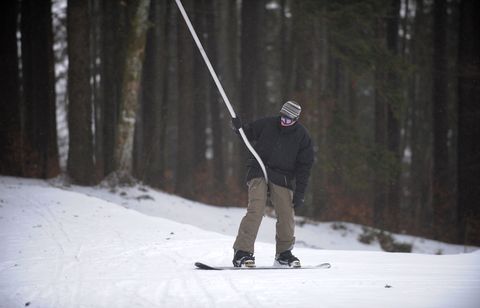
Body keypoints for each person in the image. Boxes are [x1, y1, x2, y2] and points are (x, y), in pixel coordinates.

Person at [231, 101, 314, 268]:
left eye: (289, 120)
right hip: (259, 170)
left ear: (296, 120)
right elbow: (247, 134)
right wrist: (238, 127)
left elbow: (304, 168)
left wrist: (299, 194)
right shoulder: (268, 123)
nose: (284, 122)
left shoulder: (302, 137)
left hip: (282, 177)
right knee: (256, 209)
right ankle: (242, 252)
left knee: (286, 214)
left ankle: (284, 254)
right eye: (283, 117)